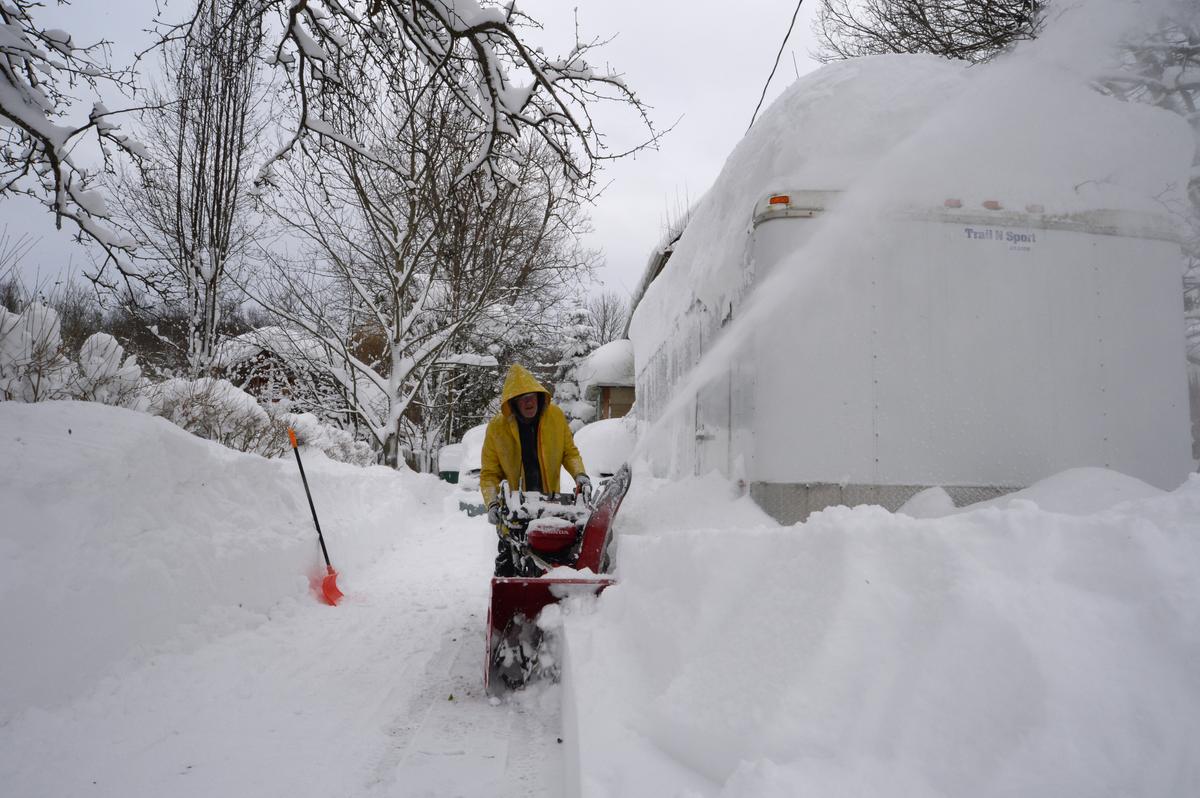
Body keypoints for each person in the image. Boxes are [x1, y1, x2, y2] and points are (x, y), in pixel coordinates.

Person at [480, 364, 591, 576]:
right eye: (523, 398)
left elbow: (569, 452)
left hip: (548, 505)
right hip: (515, 512)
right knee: (509, 565)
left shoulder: (555, 417)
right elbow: (489, 474)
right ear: (513, 402)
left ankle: (558, 592)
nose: (529, 402)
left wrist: (580, 474)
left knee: (557, 558)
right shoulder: (497, 428)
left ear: (539, 397)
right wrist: (492, 503)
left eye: (532, 397)